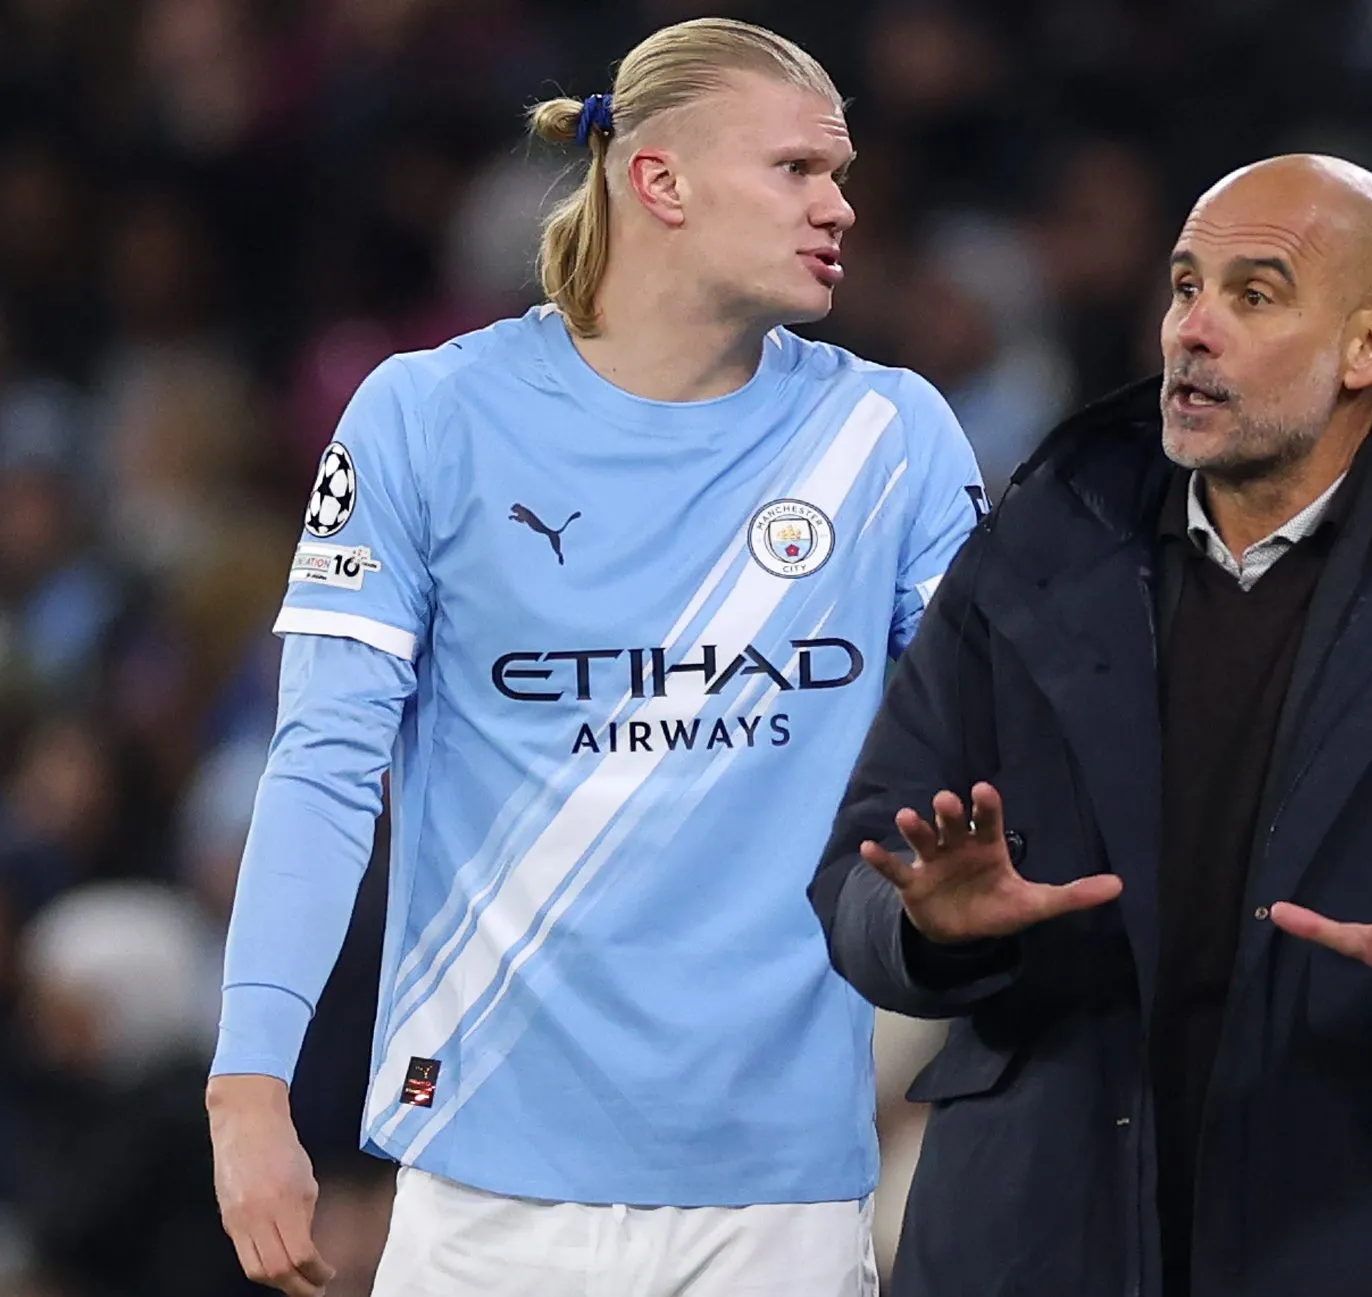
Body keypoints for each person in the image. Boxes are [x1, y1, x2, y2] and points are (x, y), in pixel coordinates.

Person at [205, 19, 984, 1297]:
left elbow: (999, 738)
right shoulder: (427, 417)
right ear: (659, 179)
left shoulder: (889, 434)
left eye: (840, 172)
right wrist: (249, 1087)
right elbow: (324, 767)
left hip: (780, 1196)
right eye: (798, 169)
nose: (841, 204)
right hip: (487, 1187)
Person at [811, 154, 1372, 1297]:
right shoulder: (1030, 556)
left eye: (1253, 295)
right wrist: (931, 929)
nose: (1192, 330)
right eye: (1184, 285)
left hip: (1363, 1235)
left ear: (1369, 345)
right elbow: (858, 878)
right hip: (1036, 1240)